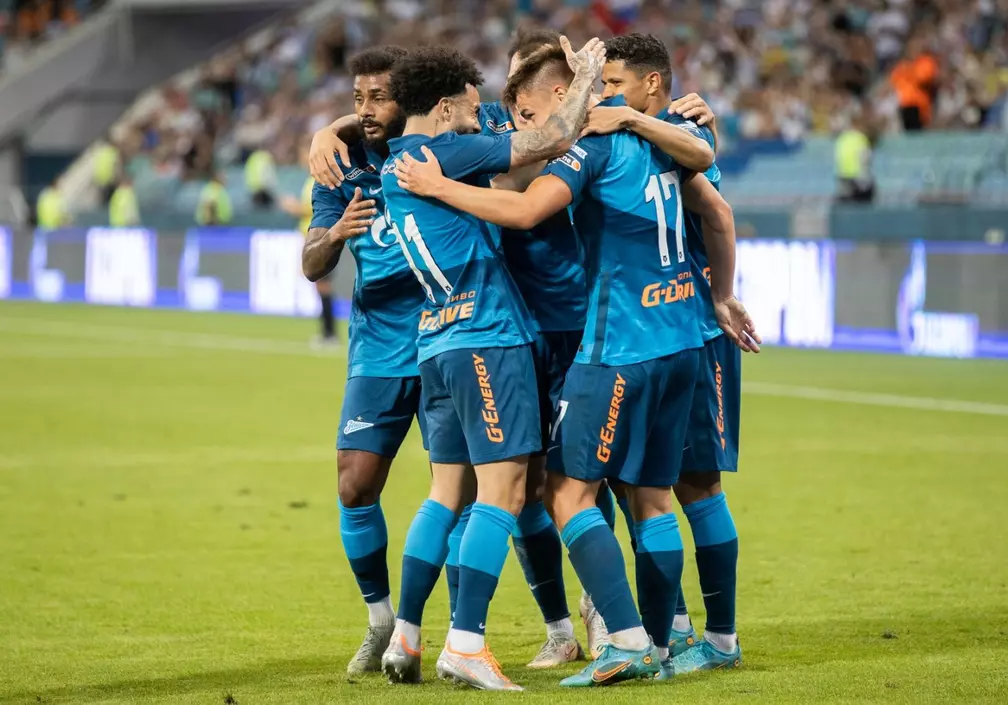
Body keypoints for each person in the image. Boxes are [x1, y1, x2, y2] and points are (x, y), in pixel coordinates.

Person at [392, 43, 757, 687]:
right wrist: (722, 295)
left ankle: (624, 638)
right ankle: (668, 637)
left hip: (612, 341)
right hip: (683, 337)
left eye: (610, 82)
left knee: (562, 489)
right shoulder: (673, 136)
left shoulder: (593, 144)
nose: (517, 117)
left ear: (569, 94)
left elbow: (526, 205)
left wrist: (440, 186)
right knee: (654, 493)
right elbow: (716, 200)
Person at [376, 41, 603, 691]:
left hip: (435, 343)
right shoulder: (447, 152)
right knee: (504, 493)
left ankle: (406, 635)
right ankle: (467, 643)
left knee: (446, 493)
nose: (483, 121)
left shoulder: (396, 163)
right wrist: (585, 77)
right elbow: (554, 136)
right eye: (474, 110)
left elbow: (503, 180)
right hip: (487, 338)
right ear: (445, 109)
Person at [593, 33, 756, 675]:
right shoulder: (659, 136)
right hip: (659, 332)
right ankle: (679, 630)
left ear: (652, 83)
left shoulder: (677, 136)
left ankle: (715, 640)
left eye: (616, 84)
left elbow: (718, 214)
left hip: (690, 332)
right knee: (648, 485)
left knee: (694, 487)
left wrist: (722, 296)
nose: (608, 95)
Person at [300, 45, 421, 679]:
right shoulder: (339, 167)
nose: (366, 109)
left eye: (379, 96)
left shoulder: (440, 147)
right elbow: (310, 264)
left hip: (446, 338)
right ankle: (380, 622)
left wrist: (333, 124)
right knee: (354, 484)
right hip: (377, 348)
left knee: (484, 489)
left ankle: (493, 631)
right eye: (357, 99)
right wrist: (335, 233)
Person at [283, 141, 338, 346]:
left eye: (304, 154)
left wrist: (294, 207)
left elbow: (316, 209)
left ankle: (329, 333)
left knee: (323, 286)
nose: (301, 159)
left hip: (320, 241)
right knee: (320, 286)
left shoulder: (318, 179)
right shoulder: (310, 180)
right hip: (312, 240)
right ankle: (327, 332)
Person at [835, 113, 874, 203]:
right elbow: (866, 158)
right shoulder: (861, 138)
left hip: (843, 175)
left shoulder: (842, 139)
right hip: (858, 176)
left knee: (846, 202)